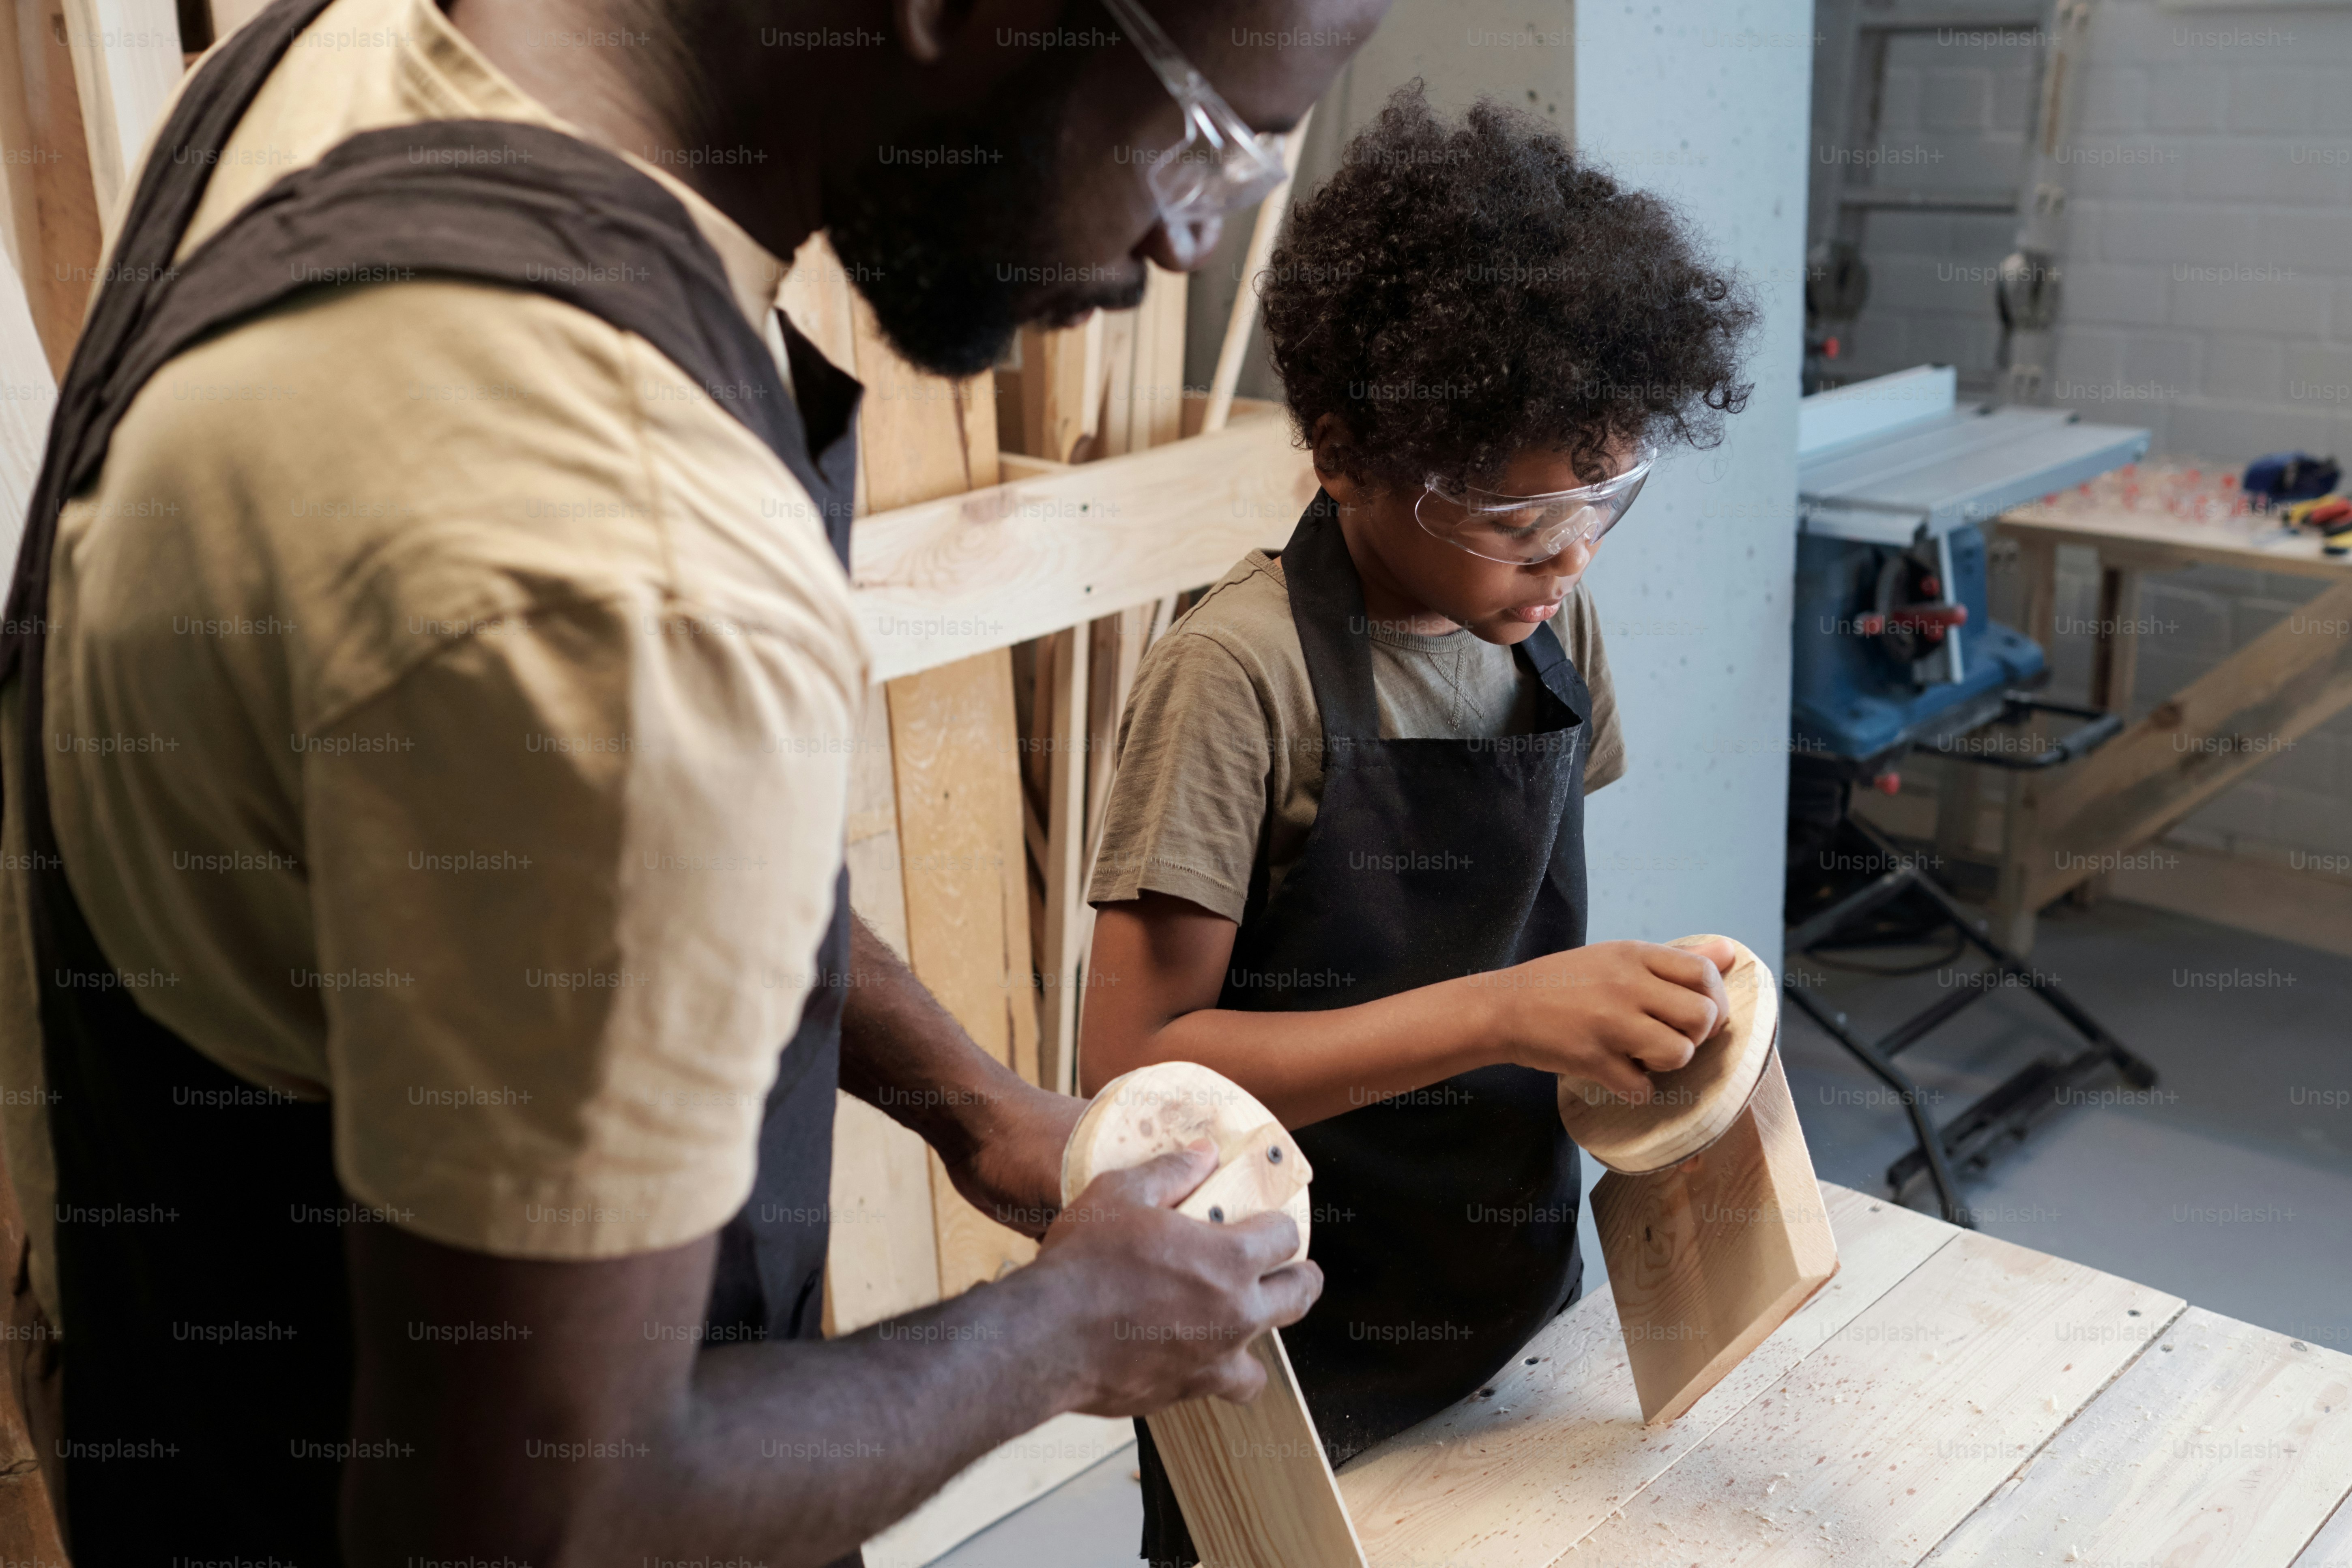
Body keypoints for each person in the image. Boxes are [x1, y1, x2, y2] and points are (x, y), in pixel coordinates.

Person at [0, 0, 1388, 1562]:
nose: (1193, 242)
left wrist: (972, 1101)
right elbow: (535, 1508)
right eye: (1207, 137)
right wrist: (1063, 1333)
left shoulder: (351, 61)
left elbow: (532, 861)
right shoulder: (627, 565)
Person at [1076, 86, 1759, 1565]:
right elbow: (1133, 1075)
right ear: (1347, 454)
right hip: (1284, 1346)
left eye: (1602, 508)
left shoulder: (1548, 638)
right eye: (1520, 527)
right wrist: (1509, 1010)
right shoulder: (1237, 675)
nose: (1568, 562)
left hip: (1514, 1296)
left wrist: (1638, 1024)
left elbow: (1521, 925)